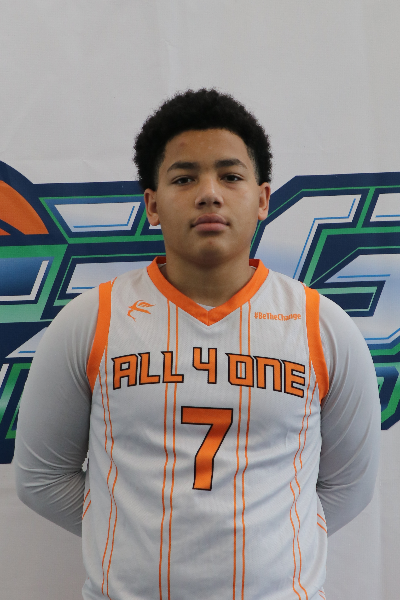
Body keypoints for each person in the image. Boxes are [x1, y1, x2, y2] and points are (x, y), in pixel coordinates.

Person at [14, 89, 381, 600]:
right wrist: (133, 533)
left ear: (262, 199)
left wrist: (268, 544)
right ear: (152, 204)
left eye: (230, 176)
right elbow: (41, 479)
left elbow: (348, 487)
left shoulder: (323, 326)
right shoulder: (92, 320)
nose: (209, 194)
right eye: (184, 178)